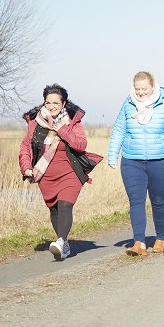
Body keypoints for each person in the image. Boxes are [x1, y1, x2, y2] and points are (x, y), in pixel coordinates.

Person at [19, 84, 100, 261]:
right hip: (45, 173)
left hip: (69, 171)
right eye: (48, 103)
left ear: (63, 104)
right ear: (44, 103)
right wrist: (26, 166)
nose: (51, 106)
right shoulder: (36, 122)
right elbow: (26, 147)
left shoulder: (72, 121)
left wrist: (61, 129)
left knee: (65, 205)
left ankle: (61, 241)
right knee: (54, 209)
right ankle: (64, 245)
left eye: (56, 103)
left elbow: (80, 144)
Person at [108, 71, 164, 256]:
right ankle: (139, 242)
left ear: (152, 87)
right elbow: (119, 129)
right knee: (136, 201)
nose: (140, 92)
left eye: (144, 89)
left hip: (160, 160)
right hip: (132, 161)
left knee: (158, 201)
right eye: (137, 88)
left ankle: (160, 238)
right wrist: (112, 156)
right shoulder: (128, 104)